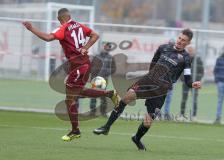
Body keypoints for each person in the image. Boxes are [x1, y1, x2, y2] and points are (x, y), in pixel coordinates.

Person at [93, 29, 201, 150]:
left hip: (161, 90)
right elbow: (154, 62)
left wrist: (192, 84)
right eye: (180, 38)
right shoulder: (163, 48)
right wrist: (151, 76)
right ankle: (106, 127)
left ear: (188, 43)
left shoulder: (185, 58)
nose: (180, 41)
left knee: (148, 121)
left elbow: (187, 78)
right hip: (148, 81)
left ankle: (137, 139)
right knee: (126, 97)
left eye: (184, 40)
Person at [22, 8, 120, 141]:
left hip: (79, 66)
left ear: (59, 18)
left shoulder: (63, 28)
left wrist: (32, 28)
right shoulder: (79, 25)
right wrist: (85, 47)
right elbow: (95, 35)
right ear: (69, 16)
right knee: (74, 95)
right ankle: (77, 128)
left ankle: (77, 129)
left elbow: (48, 37)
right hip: (84, 64)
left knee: (70, 99)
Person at [177, 46, 204, 122]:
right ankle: (182, 115)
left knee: (194, 99)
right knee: (184, 99)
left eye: (192, 50)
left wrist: (196, 81)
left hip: (195, 84)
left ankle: (194, 116)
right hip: (186, 83)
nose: (190, 52)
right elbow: (180, 71)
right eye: (189, 51)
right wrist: (184, 80)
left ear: (195, 51)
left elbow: (201, 72)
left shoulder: (198, 60)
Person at [89, 43, 116, 116]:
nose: (106, 48)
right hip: (95, 79)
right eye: (105, 47)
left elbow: (113, 69)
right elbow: (91, 67)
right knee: (93, 95)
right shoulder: (96, 57)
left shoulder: (110, 58)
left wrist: (106, 73)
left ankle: (103, 112)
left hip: (104, 79)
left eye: (108, 47)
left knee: (103, 95)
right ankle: (92, 112)